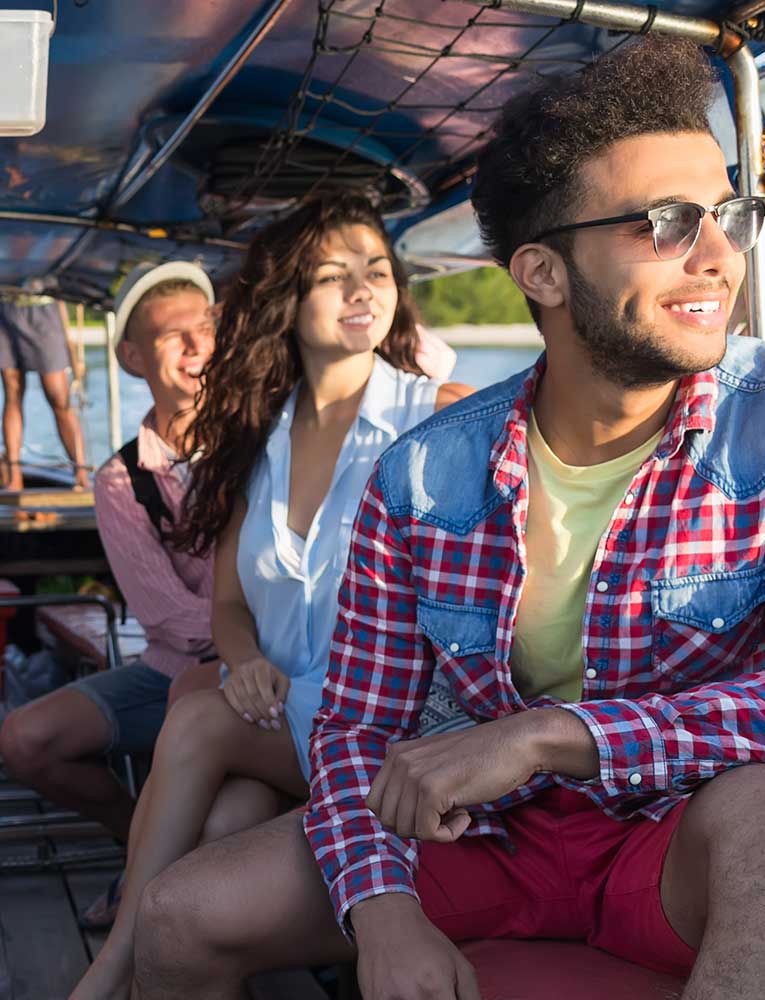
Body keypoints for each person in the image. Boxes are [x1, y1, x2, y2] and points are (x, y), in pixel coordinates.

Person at [128, 38, 765, 1000]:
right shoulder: (425, 472)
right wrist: (381, 916)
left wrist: (554, 734)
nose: (720, 256)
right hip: (494, 837)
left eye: (729, 215)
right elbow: (353, 730)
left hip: (676, 840)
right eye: (668, 223)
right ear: (543, 273)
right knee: (183, 916)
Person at [70, 192, 472, 1000]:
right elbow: (227, 608)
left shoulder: (441, 420)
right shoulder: (259, 438)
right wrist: (245, 658)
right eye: (333, 275)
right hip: (279, 717)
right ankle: (142, 964)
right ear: (286, 302)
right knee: (215, 824)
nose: (364, 290)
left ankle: (109, 970)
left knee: (195, 720)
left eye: (377, 271)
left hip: (387, 735)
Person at [0, 263, 223, 922]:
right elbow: (171, 620)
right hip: (172, 672)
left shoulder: (267, 443)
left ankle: (157, 871)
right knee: (24, 739)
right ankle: (145, 850)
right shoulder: (121, 479)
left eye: (205, 330)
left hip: (270, 671)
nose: (196, 347)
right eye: (171, 335)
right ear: (131, 358)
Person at [0, 294, 88, 490]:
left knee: (59, 399)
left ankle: (81, 472)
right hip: (6, 306)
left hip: (44, 308)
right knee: (12, 393)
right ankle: (14, 477)